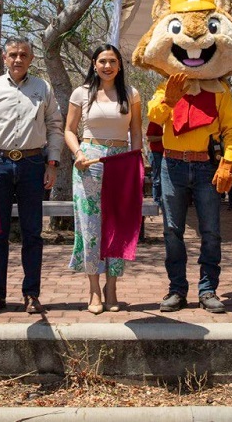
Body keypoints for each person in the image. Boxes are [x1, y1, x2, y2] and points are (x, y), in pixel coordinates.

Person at [0, 37, 64, 315]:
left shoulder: (42, 88)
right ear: (4, 57)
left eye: (24, 55)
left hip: (32, 164)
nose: (18, 59)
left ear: (31, 58)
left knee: (32, 233)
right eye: (13, 54)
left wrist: (52, 163)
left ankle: (31, 294)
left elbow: (54, 125)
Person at [63, 44, 142, 314]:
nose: (107, 66)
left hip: (121, 163)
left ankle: (112, 288)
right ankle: (94, 289)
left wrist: (135, 161)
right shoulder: (81, 93)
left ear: (119, 65)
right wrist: (77, 154)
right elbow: (69, 130)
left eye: (113, 61)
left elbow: (136, 132)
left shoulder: (131, 94)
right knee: (91, 227)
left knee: (118, 225)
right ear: (94, 64)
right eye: (102, 61)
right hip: (89, 163)